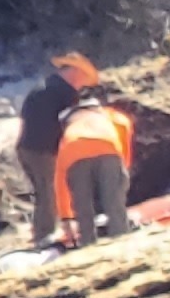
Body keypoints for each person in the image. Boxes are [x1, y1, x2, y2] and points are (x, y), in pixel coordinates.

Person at [10, 52, 90, 248]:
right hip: (43, 151)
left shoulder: (42, 87)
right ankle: (44, 238)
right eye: (82, 78)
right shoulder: (65, 94)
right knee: (50, 193)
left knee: (43, 193)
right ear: (74, 71)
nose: (82, 84)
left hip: (26, 147)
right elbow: (69, 124)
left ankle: (42, 232)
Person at [51, 89, 134, 246]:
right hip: (108, 146)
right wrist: (124, 164)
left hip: (74, 150)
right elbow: (124, 125)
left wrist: (66, 217)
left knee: (83, 207)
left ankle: (88, 245)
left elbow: (60, 182)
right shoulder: (110, 115)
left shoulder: (68, 134)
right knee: (114, 203)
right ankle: (123, 242)